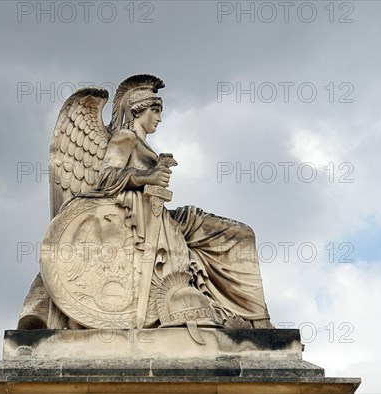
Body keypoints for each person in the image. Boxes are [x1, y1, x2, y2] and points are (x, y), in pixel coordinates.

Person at [18, 77, 273, 330]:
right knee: (239, 236)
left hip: (159, 214)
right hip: (141, 217)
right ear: (138, 110)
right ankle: (255, 320)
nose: (159, 119)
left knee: (240, 235)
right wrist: (146, 177)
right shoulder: (124, 138)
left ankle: (252, 316)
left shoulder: (139, 143)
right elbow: (106, 178)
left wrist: (157, 168)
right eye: (156, 111)